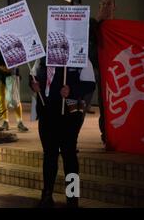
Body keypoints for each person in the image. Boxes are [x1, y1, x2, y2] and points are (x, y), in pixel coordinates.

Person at [29, 58, 95, 208]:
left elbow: (90, 84)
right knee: (49, 155)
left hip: (69, 116)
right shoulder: (42, 57)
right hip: (47, 113)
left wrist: (71, 89)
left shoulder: (79, 55)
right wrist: (33, 85)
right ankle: (47, 195)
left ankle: (72, 198)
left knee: (69, 155)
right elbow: (33, 75)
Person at [85, 0, 116, 144]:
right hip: (96, 68)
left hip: (112, 69)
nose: (105, 6)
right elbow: (88, 35)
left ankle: (109, 135)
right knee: (91, 101)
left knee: (108, 103)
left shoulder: (117, 27)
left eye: (108, 4)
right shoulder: (93, 23)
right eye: (102, 4)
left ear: (113, 7)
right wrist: (97, 19)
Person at [0, 41, 28, 132]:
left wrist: (10, 62)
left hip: (12, 73)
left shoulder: (15, 41)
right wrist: (6, 61)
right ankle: (5, 121)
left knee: (15, 99)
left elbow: (20, 55)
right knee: (2, 98)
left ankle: (19, 122)